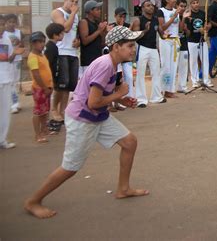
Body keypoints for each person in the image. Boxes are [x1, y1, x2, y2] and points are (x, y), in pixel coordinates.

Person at [24, 25, 149, 219]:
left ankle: (123, 189)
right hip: (83, 119)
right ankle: (33, 201)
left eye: (134, 45)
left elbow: (101, 96)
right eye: (130, 45)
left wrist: (121, 99)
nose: (134, 49)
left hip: (98, 116)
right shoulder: (105, 65)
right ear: (116, 46)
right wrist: (119, 94)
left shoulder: (112, 64)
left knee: (129, 142)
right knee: (70, 167)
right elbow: (93, 102)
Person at [50, 0, 80, 125]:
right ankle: (53, 109)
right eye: (71, 1)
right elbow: (65, 28)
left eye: (76, 2)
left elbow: (74, 33)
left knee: (69, 85)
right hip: (61, 52)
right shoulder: (57, 12)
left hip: (73, 53)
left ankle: (63, 111)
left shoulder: (77, 16)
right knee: (61, 84)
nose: (73, 4)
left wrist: (78, 41)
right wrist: (73, 13)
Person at [130, 0, 166, 108]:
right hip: (142, 48)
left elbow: (161, 33)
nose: (151, 7)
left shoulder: (155, 20)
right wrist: (145, 30)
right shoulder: (138, 20)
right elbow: (135, 36)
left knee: (156, 72)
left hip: (153, 49)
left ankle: (156, 97)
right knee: (141, 74)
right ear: (143, 8)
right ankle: (141, 99)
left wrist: (166, 35)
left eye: (152, 5)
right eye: (148, 5)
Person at [0, 15, 25, 149]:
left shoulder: (6, 39)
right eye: (1, 24)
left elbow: (8, 58)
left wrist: (15, 54)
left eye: (3, 24)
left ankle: (2, 139)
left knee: (4, 111)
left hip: (5, 78)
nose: (2, 27)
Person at [157, 0, 185, 98]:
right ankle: (161, 89)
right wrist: (174, 16)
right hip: (165, 40)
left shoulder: (176, 11)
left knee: (174, 66)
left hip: (175, 40)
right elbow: (162, 27)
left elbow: (181, 28)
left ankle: (170, 90)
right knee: (165, 66)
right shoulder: (161, 11)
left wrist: (183, 17)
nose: (175, 0)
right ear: (167, 0)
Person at [27, 31, 53, 143]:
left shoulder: (42, 55)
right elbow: (36, 74)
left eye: (43, 41)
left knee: (45, 111)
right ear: (33, 43)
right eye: (40, 42)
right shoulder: (33, 57)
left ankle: (44, 129)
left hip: (47, 87)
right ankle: (38, 135)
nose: (42, 44)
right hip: (40, 88)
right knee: (38, 111)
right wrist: (44, 87)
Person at [184, 0, 213, 88]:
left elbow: (209, 23)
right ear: (190, 4)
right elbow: (187, 31)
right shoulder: (188, 14)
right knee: (193, 61)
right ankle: (195, 81)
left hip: (202, 40)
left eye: (197, 2)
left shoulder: (203, 13)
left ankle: (206, 80)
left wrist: (207, 27)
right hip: (192, 41)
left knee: (205, 60)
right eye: (193, 3)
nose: (196, 4)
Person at [109, 7, 134, 111]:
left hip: (126, 58)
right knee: (115, 80)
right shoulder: (111, 27)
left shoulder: (128, 26)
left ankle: (126, 99)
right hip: (117, 58)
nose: (122, 18)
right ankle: (113, 102)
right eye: (120, 16)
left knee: (128, 77)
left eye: (124, 16)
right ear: (115, 16)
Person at [44, 23, 65, 133]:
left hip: (50, 77)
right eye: (61, 33)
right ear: (55, 35)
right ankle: (46, 122)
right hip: (49, 78)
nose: (63, 35)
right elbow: (50, 63)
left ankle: (46, 121)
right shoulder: (51, 47)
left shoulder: (51, 46)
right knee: (46, 101)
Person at [78, 0, 107, 76]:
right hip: (88, 60)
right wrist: (99, 30)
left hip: (97, 58)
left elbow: (100, 40)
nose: (100, 11)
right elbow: (85, 41)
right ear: (90, 11)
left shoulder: (97, 23)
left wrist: (105, 31)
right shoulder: (84, 22)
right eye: (97, 9)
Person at [5, 14, 23, 114]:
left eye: (13, 22)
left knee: (14, 82)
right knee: (10, 82)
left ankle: (15, 103)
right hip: (7, 60)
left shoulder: (18, 32)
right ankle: (13, 104)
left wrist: (20, 43)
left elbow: (22, 45)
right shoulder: (4, 34)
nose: (11, 24)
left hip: (17, 60)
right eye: (9, 22)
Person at [176, 0, 190, 93]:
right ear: (177, 6)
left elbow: (188, 33)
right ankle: (169, 88)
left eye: (184, 6)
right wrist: (183, 19)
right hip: (174, 45)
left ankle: (182, 86)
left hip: (184, 44)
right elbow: (179, 30)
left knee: (184, 66)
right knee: (173, 67)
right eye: (181, 6)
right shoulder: (174, 16)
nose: (183, 8)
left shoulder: (187, 17)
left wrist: (186, 30)